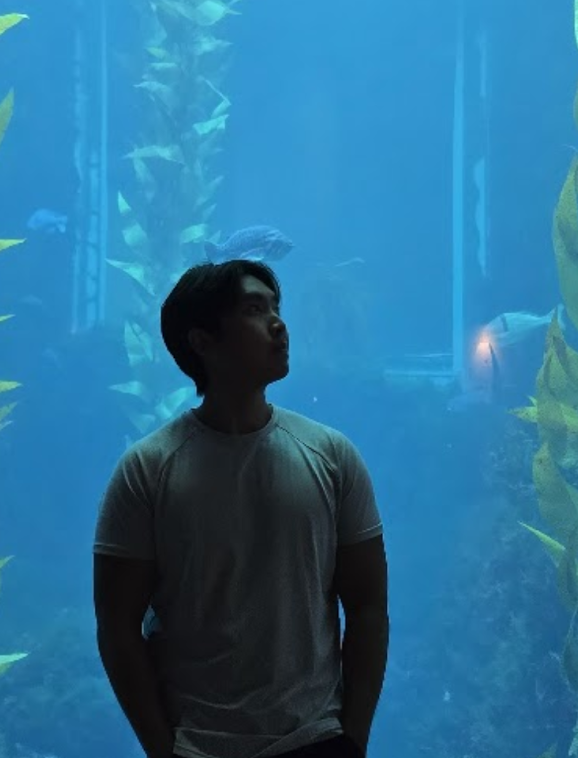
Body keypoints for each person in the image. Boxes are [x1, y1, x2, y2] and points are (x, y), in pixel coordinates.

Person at [93, 259, 389, 758]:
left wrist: (352, 741)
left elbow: (368, 608)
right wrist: (163, 752)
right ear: (202, 341)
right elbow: (117, 628)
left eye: (276, 307)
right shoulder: (146, 470)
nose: (278, 323)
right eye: (255, 309)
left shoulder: (332, 457)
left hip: (316, 740)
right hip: (197, 749)